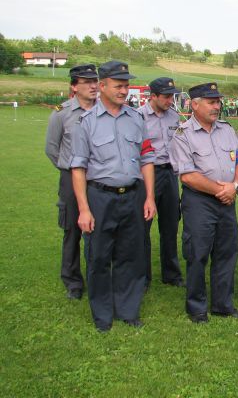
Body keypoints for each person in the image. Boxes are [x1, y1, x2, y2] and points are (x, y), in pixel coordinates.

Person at [70, 60, 156, 332]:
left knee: (130, 255)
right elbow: (78, 168)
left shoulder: (136, 119)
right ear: (102, 86)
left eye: (127, 85)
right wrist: (84, 209)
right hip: (100, 197)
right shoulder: (85, 122)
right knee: (98, 257)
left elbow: (147, 160)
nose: (124, 90)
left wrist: (150, 197)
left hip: (132, 196)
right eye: (119, 85)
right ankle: (103, 315)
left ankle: (128, 310)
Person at [169, 82, 238, 323]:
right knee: (197, 253)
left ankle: (223, 304)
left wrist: (234, 186)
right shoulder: (182, 135)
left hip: (227, 198)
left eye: (218, 102)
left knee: (227, 252)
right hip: (200, 202)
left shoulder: (226, 129)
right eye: (211, 102)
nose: (217, 106)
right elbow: (188, 175)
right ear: (194, 104)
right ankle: (197, 307)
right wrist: (220, 190)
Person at [45, 64, 99, 300]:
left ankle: (99, 276)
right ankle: (73, 281)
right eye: (86, 82)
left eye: (95, 81)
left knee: (100, 229)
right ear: (74, 86)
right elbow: (51, 149)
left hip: (98, 179)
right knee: (72, 230)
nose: (93, 86)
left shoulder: (104, 110)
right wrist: (70, 170)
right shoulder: (62, 113)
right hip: (71, 178)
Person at [137, 77, 184, 290]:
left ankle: (171, 273)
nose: (170, 100)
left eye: (172, 96)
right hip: (148, 174)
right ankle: (142, 276)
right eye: (166, 96)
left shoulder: (174, 116)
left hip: (170, 175)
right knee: (142, 227)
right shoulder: (137, 117)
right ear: (152, 96)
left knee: (170, 225)